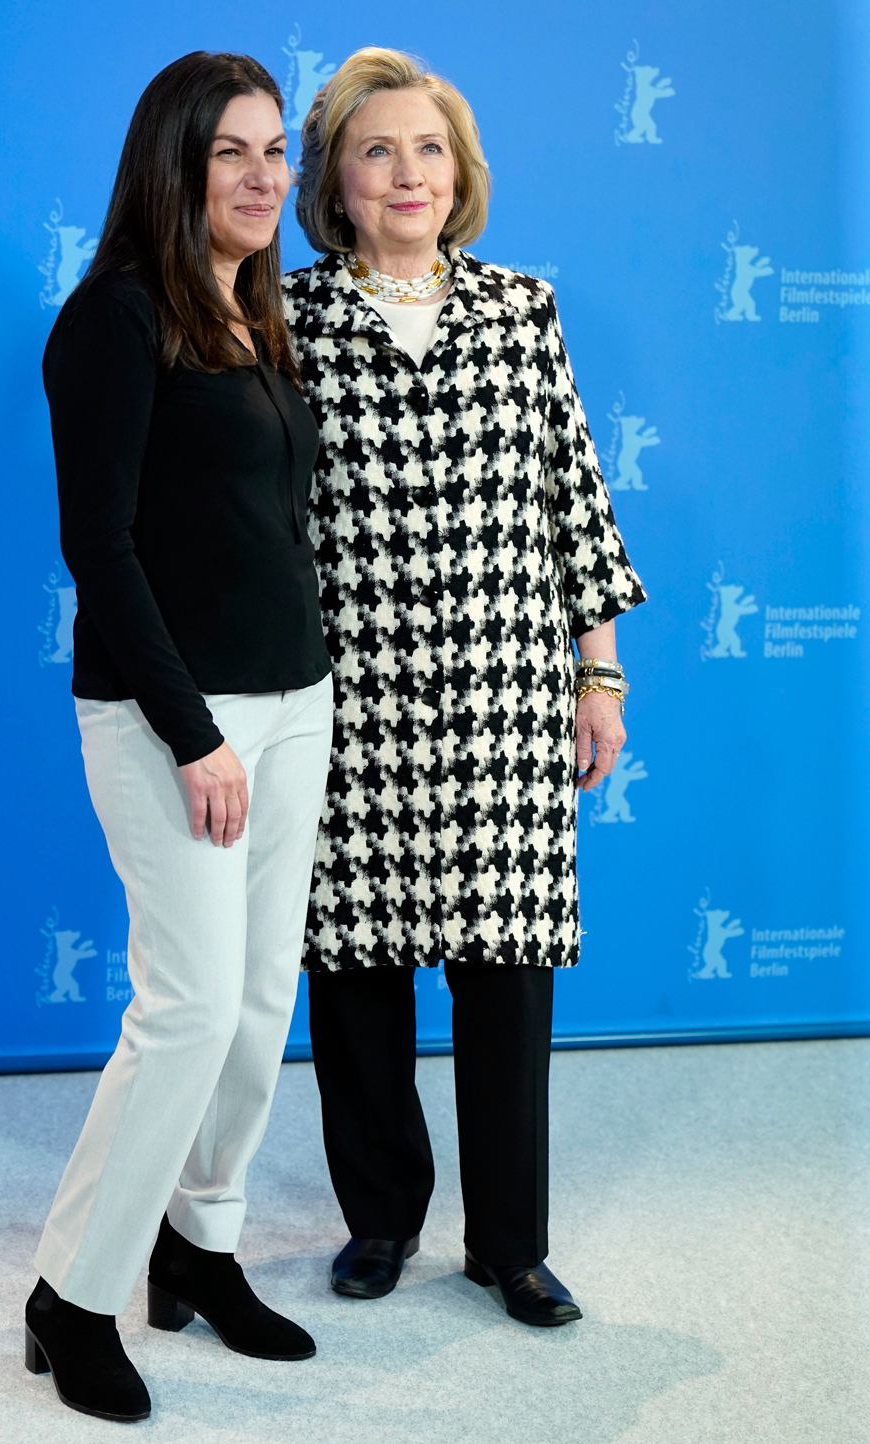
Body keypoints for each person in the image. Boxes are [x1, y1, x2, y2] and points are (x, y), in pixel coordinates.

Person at [284, 48, 646, 1327]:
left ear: (461, 172)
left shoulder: (521, 308)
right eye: (376, 149)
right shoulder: (285, 319)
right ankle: (378, 1220)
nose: (406, 172)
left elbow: (573, 503)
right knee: (359, 972)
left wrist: (595, 670)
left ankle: (510, 1242)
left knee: (507, 974)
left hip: (501, 694)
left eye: (427, 148)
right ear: (333, 177)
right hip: (349, 697)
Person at [27, 52, 333, 1421]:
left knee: (262, 1004)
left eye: (278, 152)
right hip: (173, 722)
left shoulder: (255, 314)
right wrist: (195, 730)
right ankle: (74, 1293)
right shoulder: (116, 318)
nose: (269, 178)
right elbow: (100, 545)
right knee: (190, 1005)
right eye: (235, 155)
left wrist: (288, 703)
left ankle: (197, 1248)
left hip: (293, 707)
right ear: (175, 165)